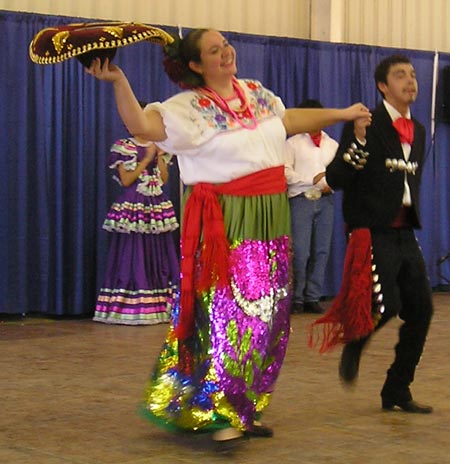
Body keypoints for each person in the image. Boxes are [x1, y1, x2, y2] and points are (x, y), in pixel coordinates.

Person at [86, 28, 371, 444]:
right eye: (214, 50)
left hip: (271, 217)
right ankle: (220, 413)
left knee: (269, 318)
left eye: (226, 46)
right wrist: (120, 82)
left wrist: (343, 114)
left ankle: (242, 405)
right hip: (226, 222)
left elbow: (289, 119)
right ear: (196, 65)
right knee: (233, 316)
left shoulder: (255, 93)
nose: (226, 53)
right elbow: (141, 126)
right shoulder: (186, 108)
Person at [312, 54, 433, 414]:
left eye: (412, 75)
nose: (410, 81)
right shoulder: (366, 122)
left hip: (404, 230)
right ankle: (355, 341)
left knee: (422, 310)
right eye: (400, 76)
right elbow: (336, 179)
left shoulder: (421, 131)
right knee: (388, 305)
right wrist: (360, 141)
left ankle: (397, 387)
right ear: (383, 86)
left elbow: (408, 180)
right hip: (370, 229)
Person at [93, 135, 180, 325]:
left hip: (155, 206)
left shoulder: (160, 146)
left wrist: (157, 157)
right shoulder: (125, 147)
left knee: (156, 254)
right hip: (134, 206)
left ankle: (158, 306)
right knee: (133, 253)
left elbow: (163, 179)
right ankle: (130, 306)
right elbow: (126, 180)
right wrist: (146, 159)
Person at [285, 99, 338, 314]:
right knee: (301, 251)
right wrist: (312, 180)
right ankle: (297, 297)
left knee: (322, 250)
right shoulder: (293, 143)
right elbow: (285, 172)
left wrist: (329, 183)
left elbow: (339, 173)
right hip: (302, 199)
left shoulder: (332, 144)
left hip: (326, 201)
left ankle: (313, 296)